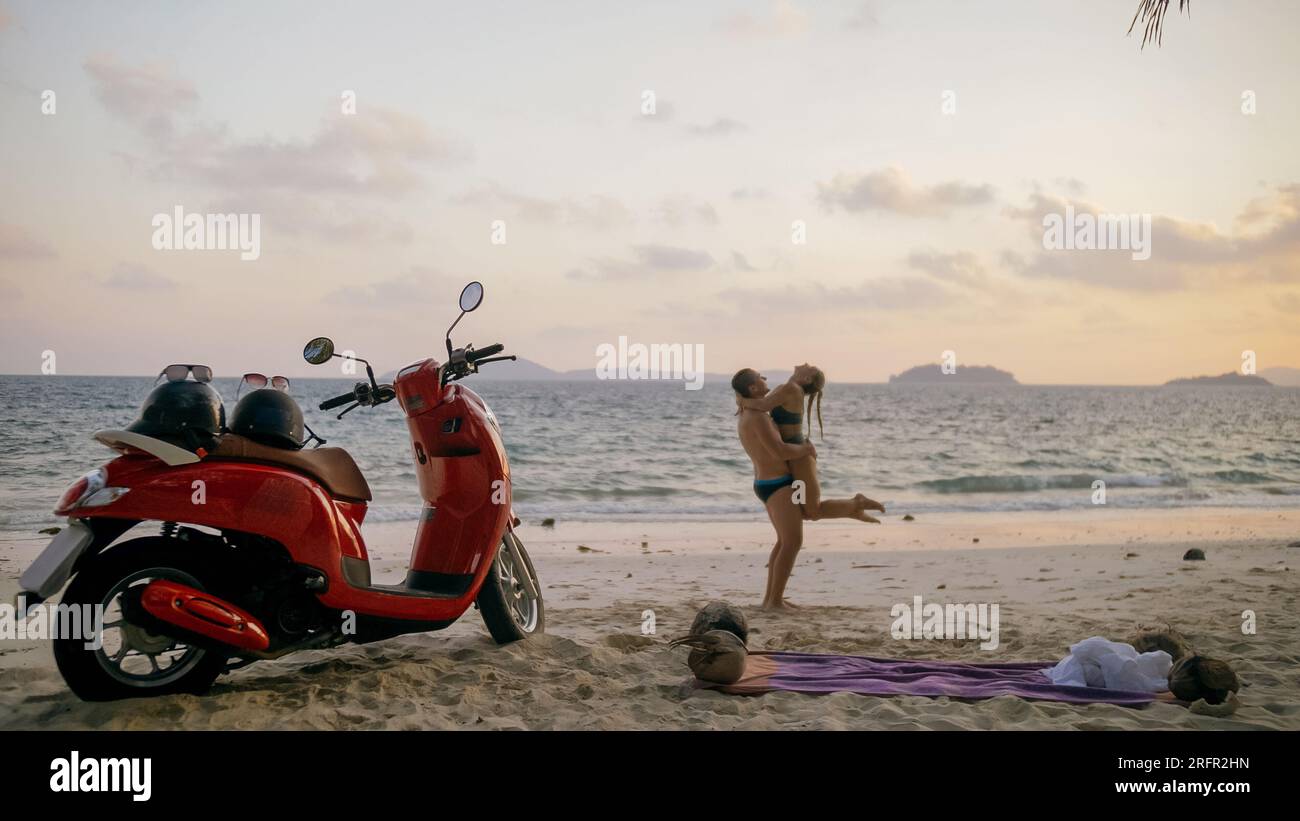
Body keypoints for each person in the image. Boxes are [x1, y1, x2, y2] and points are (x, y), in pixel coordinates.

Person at [735, 365, 884, 523]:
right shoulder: (785, 388)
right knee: (805, 512)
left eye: (810, 367)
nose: (806, 363)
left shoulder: (792, 388)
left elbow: (763, 406)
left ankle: (856, 504)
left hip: (800, 456)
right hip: (792, 455)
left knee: (813, 511)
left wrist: (741, 399)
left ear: (806, 379)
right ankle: (852, 509)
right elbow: (762, 404)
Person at [732, 368, 815, 610]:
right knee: (792, 542)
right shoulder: (757, 417)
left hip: (767, 483)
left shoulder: (751, 413)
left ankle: (771, 599)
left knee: (783, 541)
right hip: (777, 484)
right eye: (760, 377)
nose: (765, 379)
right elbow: (779, 451)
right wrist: (806, 450)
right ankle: (774, 602)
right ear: (753, 388)